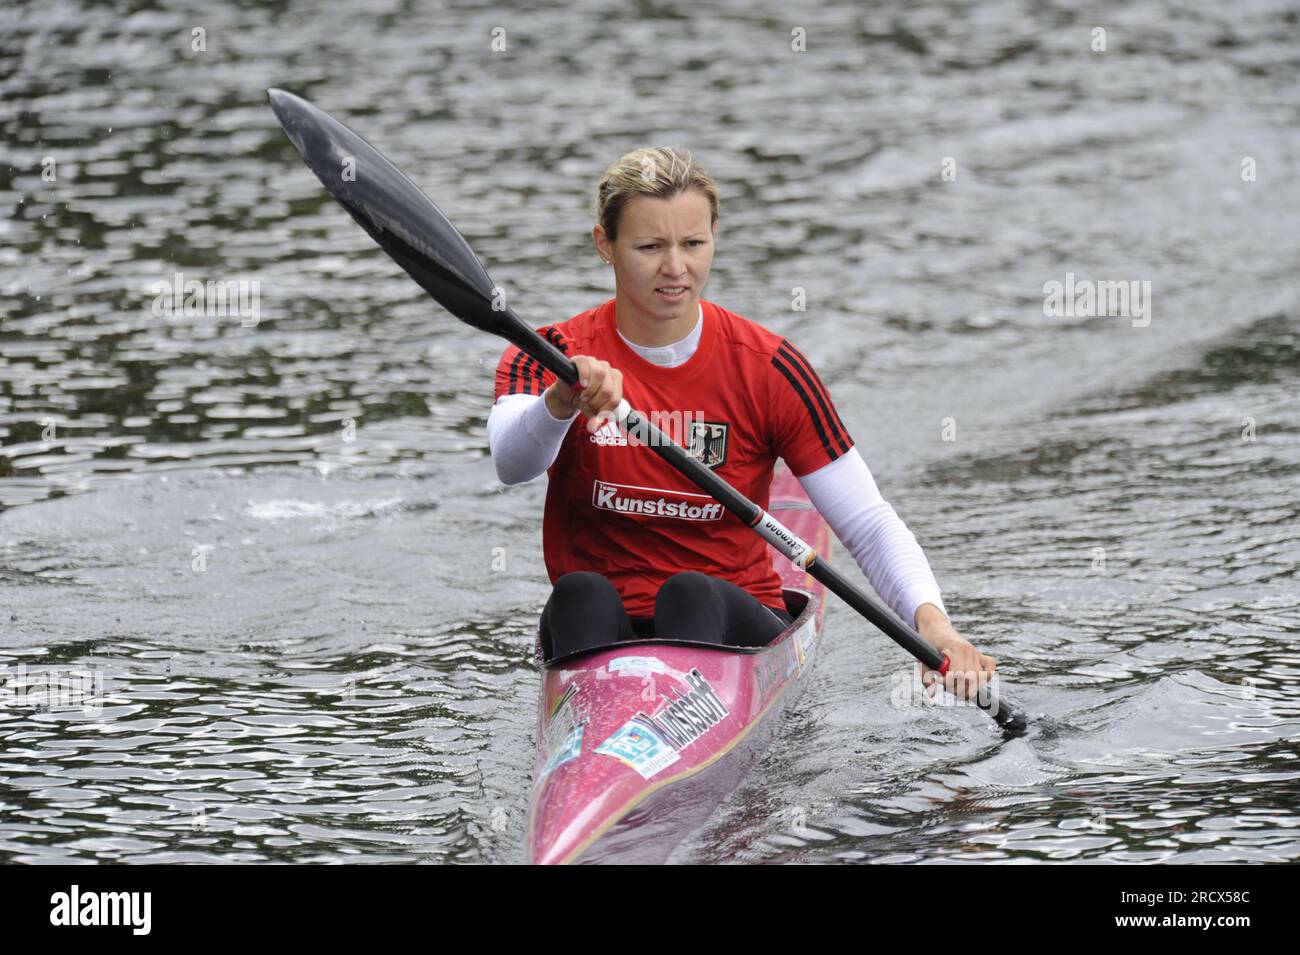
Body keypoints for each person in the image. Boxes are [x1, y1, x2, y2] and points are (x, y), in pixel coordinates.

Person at [487, 146, 995, 700]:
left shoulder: (769, 369)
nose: (675, 268)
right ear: (604, 245)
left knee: (688, 595)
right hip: (598, 631)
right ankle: (597, 745)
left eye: (693, 244)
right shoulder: (553, 354)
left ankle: (680, 733)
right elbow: (513, 464)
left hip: (729, 622)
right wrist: (559, 402)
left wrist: (934, 623)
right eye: (650, 246)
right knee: (578, 594)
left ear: (714, 236)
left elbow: (869, 523)